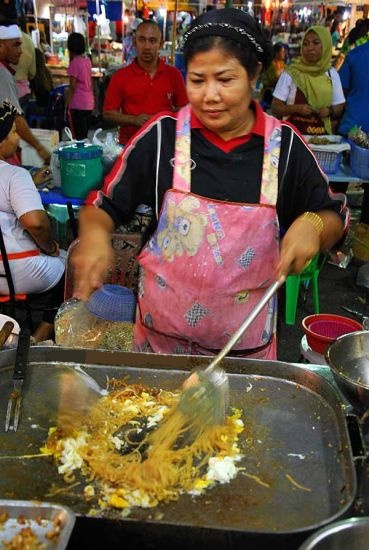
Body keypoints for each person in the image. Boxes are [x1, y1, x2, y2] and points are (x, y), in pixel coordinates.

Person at [72, 8, 347, 360]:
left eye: (225, 80)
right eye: (198, 80)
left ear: (254, 76)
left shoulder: (285, 148)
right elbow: (103, 206)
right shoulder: (162, 138)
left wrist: (313, 224)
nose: (210, 95)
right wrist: (94, 235)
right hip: (159, 350)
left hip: (244, 358)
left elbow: (333, 213)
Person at [0, 100, 65, 342]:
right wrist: (50, 247)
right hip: (18, 271)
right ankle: (41, 335)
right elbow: (36, 223)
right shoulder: (13, 175)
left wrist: (30, 183)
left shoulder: (16, 177)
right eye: (14, 132)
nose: (18, 138)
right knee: (72, 263)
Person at [103, 19, 188, 145]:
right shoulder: (120, 76)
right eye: (142, 40)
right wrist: (133, 120)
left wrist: (166, 118)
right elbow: (108, 113)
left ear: (161, 44)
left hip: (164, 146)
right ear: (135, 42)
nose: (147, 46)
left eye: (152, 41)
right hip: (130, 146)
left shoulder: (173, 75)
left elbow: (185, 109)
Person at [271, 25, 345, 135]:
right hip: (293, 137)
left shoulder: (332, 74)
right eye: (305, 44)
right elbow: (275, 107)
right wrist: (296, 108)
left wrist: (329, 111)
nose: (310, 48)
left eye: (315, 43)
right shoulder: (291, 73)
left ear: (325, 46)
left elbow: (339, 105)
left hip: (321, 140)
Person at [0, 24, 51, 163]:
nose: (20, 51)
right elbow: (15, 117)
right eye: (16, 46)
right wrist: (39, 148)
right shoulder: (2, 75)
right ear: (1, 45)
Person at [65, 32, 94, 141]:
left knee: (77, 138)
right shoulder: (87, 61)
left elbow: (72, 87)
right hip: (89, 103)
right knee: (84, 136)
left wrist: (66, 103)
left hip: (77, 104)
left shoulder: (74, 63)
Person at [11, 27, 36, 112]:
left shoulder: (5, 39)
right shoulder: (28, 40)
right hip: (23, 92)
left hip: (8, 93)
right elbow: (32, 73)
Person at [260, 42, 286, 111]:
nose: (284, 53)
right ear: (277, 53)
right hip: (269, 94)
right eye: (282, 51)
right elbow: (274, 81)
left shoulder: (282, 64)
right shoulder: (271, 65)